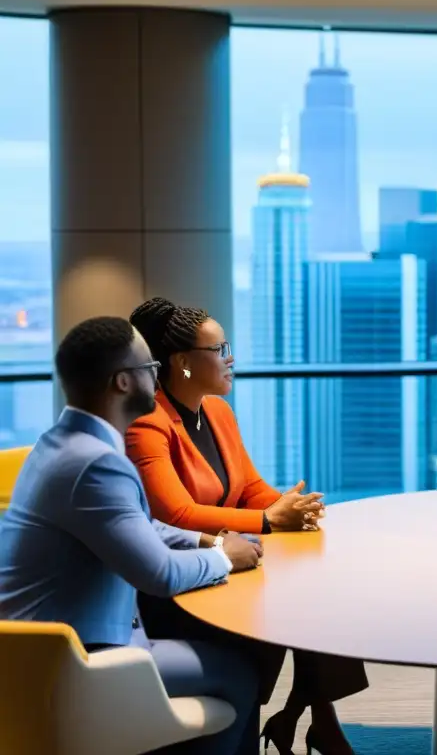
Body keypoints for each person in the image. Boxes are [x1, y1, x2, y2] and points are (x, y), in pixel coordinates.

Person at [0, 316, 265, 755]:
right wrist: (226, 559)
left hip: (36, 650)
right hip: (75, 659)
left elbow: (136, 525)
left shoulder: (59, 443)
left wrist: (210, 542)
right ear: (123, 382)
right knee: (238, 671)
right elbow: (158, 574)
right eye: (150, 368)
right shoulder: (96, 462)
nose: (158, 376)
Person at [125, 296, 368, 755]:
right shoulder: (147, 424)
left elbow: (248, 486)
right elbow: (172, 515)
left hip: (232, 559)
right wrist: (265, 519)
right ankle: (310, 722)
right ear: (183, 363)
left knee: (320, 586)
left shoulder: (216, 411)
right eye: (219, 350)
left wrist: (289, 506)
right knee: (293, 606)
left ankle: (313, 718)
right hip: (181, 577)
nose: (229, 358)